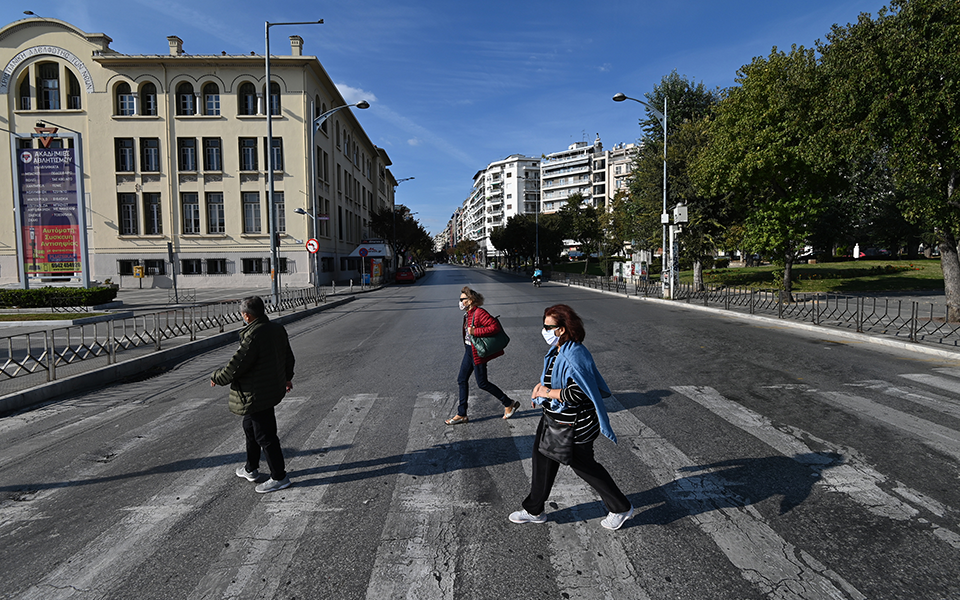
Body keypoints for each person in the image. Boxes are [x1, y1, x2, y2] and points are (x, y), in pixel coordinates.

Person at [509, 304, 633, 530]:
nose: (543, 330)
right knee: (542, 460)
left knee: (584, 466)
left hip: (574, 424)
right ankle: (534, 510)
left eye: (549, 326)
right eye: (544, 325)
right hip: (554, 418)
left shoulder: (574, 354)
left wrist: (546, 392)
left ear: (563, 329)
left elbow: (577, 393)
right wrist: (541, 389)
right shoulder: (559, 348)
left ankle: (620, 507)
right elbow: (554, 379)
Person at [211, 296, 295, 494]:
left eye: (242, 314)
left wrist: (216, 377)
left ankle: (280, 477)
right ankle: (251, 468)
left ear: (247, 316)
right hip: (268, 388)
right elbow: (288, 356)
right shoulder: (277, 329)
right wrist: (287, 378)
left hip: (257, 393)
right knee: (249, 427)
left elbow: (236, 366)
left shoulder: (254, 336)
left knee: (265, 436)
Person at [445, 286, 519, 425]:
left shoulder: (479, 312)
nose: (460, 302)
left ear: (470, 300)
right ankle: (462, 414)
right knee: (462, 379)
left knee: (482, 383)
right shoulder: (468, 313)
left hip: (477, 353)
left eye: (462, 299)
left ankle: (509, 403)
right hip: (469, 350)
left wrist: (475, 332)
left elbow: (494, 327)